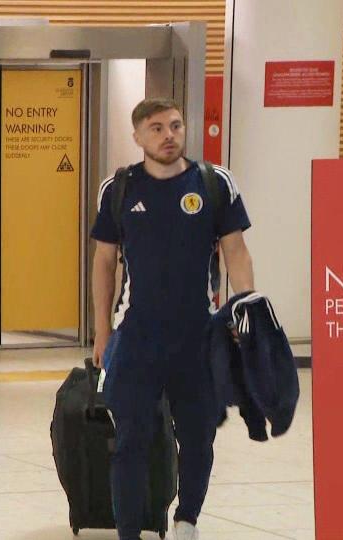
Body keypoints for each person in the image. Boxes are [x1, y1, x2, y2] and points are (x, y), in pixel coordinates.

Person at [91, 98, 255, 540]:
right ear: (138, 136)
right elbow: (104, 261)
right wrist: (102, 331)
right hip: (137, 338)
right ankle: (128, 533)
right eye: (158, 127)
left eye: (176, 126)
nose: (169, 135)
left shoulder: (214, 183)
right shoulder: (119, 188)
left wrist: (246, 312)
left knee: (199, 439)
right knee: (130, 442)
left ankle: (187, 521)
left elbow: (235, 251)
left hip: (197, 338)